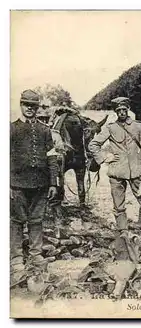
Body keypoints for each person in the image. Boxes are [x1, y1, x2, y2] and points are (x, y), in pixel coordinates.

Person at [10, 90, 59, 282]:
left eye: (33, 105)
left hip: (41, 184)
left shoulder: (45, 130)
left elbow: (52, 158)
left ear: (37, 108)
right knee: (16, 221)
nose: (29, 108)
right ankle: (16, 259)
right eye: (26, 105)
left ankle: (36, 255)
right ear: (21, 106)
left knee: (37, 220)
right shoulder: (11, 129)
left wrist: (53, 183)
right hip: (17, 184)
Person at [88, 97, 141, 235]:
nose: (122, 113)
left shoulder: (138, 126)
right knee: (118, 204)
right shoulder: (110, 128)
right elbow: (93, 145)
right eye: (119, 110)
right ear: (116, 112)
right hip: (116, 171)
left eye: (124, 110)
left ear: (128, 110)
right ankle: (122, 230)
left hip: (136, 170)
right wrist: (105, 157)